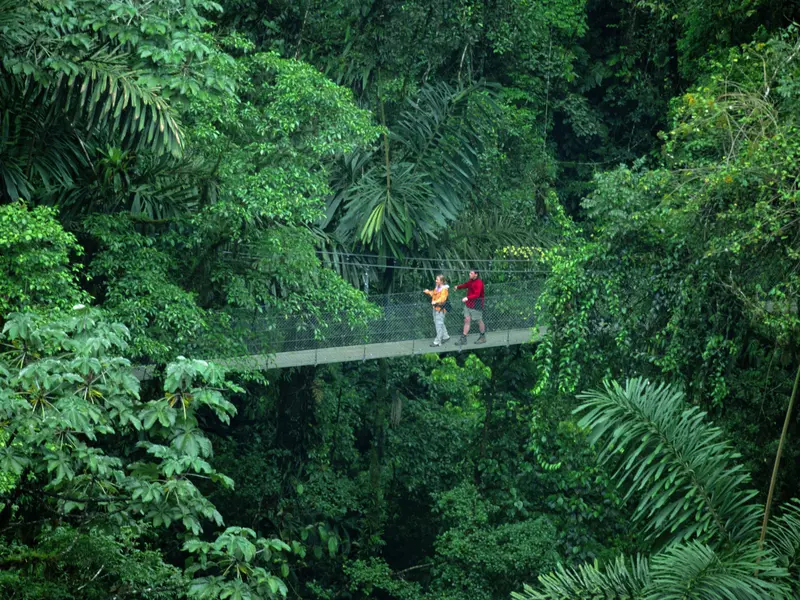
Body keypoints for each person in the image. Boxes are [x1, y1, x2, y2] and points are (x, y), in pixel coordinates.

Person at [455, 270, 485, 345]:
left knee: (479, 321)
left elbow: (477, 294)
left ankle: (482, 337)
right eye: (470, 273)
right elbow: (465, 285)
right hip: (468, 304)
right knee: (467, 320)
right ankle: (463, 338)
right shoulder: (471, 281)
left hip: (476, 305)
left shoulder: (479, 282)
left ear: (476, 274)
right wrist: (458, 287)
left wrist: (467, 298)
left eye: (471, 273)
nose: (469, 274)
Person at [423, 274, 450, 346]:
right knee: (439, 323)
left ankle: (438, 341)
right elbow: (434, 294)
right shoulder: (437, 288)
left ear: (441, 281)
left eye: (437, 279)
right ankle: (445, 336)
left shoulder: (444, 290)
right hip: (435, 308)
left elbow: (442, 298)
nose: (436, 280)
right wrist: (428, 291)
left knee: (439, 324)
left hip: (440, 309)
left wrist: (436, 301)